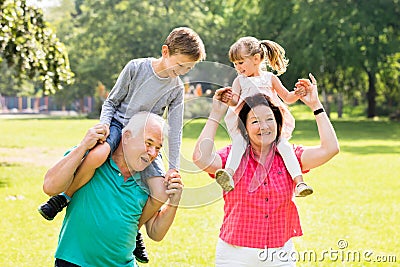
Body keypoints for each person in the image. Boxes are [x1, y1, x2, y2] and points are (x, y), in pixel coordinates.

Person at [38, 26, 205, 263]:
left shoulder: (176, 88)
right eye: (179, 66)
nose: (181, 72)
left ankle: (134, 231)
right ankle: (64, 197)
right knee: (97, 157)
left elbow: (175, 130)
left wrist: (174, 166)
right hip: (119, 126)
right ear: (165, 51)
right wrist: (105, 127)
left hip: (147, 138)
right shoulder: (137, 68)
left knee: (160, 191)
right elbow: (111, 103)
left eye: (188, 69)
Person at [192, 74, 339, 267]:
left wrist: (316, 106)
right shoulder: (233, 158)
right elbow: (200, 158)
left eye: (269, 119)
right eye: (254, 121)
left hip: (280, 257)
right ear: (244, 128)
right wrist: (215, 114)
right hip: (235, 257)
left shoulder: (290, 157)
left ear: (278, 124)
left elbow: (330, 149)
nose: (263, 126)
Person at [43, 112, 184, 267]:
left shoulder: (150, 181)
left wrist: (174, 202)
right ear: (127, 136)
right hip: (74, 262)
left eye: (158, 148)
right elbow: (50, 186)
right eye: (148, 143)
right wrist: (83, 146)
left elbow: (156, 233)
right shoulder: (93, 158)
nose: (152, 153)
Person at [214, 36, 312, 197]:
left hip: (269, 124)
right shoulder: (240, 80)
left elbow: (287, 97)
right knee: (239, 143)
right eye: (235, 64)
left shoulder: (270, 78)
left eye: (240, 63)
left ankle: (299, 182)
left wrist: (298, 93)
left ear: (256, 59)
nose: (237, 67)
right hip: (248, 124)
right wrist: (228, 99)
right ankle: (228, 175)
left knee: (284, 146)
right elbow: (235, 101)